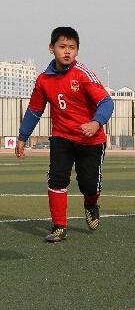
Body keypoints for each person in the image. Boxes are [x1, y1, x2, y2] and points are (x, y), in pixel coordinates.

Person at [14, 27, 115, 242]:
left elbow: (106, 102)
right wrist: (22, 138)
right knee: (57, 179)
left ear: (77, 51)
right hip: (62, 138)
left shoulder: (83, 74)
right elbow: (34, 111)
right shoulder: (43, 80)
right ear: (52, 49)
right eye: (62, 47)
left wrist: (96, 123)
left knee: (89, 185)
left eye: (72, 48)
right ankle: (59, 226)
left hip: (91, 140)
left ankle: (90, 204)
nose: (67, 52)